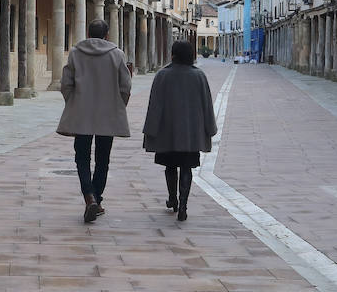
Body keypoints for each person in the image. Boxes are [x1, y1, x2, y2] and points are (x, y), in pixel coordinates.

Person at [57, 17, 132, 223]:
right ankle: (96, 200)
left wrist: (73, 104)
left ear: (88, 34)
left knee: (81, 158)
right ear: (107, 35)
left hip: (82, 114)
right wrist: (118, 106)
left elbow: (66, 84)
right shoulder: (117, 55)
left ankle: (89, 196)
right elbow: (125, 86)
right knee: (103, 160)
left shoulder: (75, 53)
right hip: (107, 115)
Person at [143, 39, 217, 223]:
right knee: (186, 167)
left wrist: (150, 130)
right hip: (191, 132)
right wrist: (210, 127)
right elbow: (207, 104)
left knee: (170, 166)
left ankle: (173, 199)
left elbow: (155, 105)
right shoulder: (199, 76)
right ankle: (183, 205)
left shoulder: (163, 75)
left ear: (173, 54)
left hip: (167, 131)